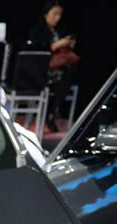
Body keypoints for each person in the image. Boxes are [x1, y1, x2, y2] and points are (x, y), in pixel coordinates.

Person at [27, 0, 77, 132]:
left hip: (60, 69)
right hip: (42, 69)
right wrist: (55, 45)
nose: (57, 18)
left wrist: (68, 45)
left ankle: (51, 111)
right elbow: (36, 52)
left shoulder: (61, 30)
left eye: (59, 15)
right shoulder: (36, 32)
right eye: (54, 14)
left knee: (68, 71)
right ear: (46, 14)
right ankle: (51, 112)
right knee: (63, 76)